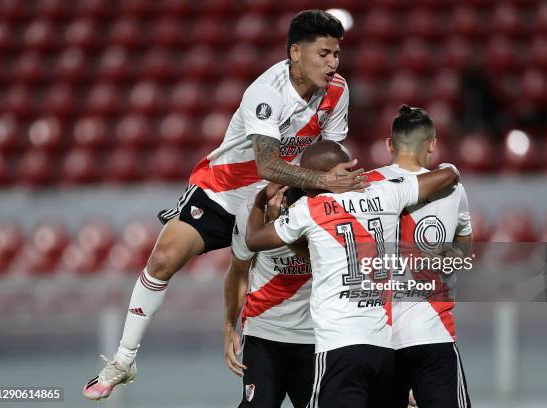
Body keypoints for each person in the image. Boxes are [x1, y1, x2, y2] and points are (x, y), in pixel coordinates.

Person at [83, 10, 368, 400]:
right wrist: (324, 182)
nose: (333, 63)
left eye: (336, 54)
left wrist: (326, 191)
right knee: (164, 257)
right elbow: (268, 162)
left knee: (326, 259)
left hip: (278, 193)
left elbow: (328, 156)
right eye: (324, 54)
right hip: (223, 191)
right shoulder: (266, 92)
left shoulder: (338, 90)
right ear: (295, 52)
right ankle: (124, 359)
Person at [245, 140, 460, 408]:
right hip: (383, 350)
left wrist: (258, 203)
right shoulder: (385, 192)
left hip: (339, 347)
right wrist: (449, 166)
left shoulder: (309, 210)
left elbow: (253, 240)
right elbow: (448, 176)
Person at [367, 105, 473, 407]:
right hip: (433, 333)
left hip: (377, 335)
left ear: (390, 144)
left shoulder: (364, 186)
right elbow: (464, 241)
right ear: (433, 144)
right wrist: (453, 256)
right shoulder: (453, 189)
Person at [224, 186, 314, 408]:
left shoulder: (331, 209)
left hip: (319, 336)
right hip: (265, 333)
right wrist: (229, 325)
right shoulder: (253, 211)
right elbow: (238, 270)